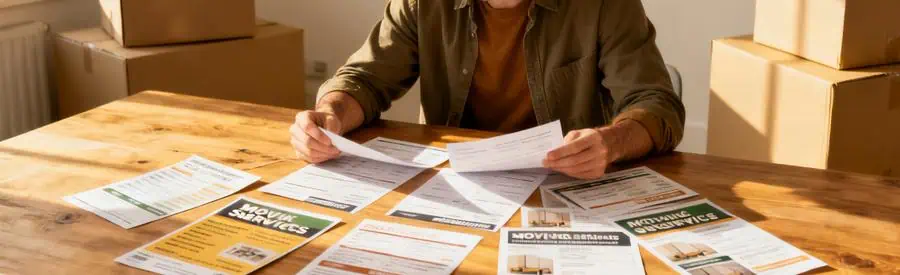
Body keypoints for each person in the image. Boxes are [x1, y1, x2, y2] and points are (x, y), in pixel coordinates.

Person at [289, 0, 685, 179]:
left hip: (565, 182)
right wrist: (330, 115)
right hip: (461, 187)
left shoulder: (604, 5)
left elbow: (656, 104)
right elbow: (365, 80)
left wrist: (610, 142)